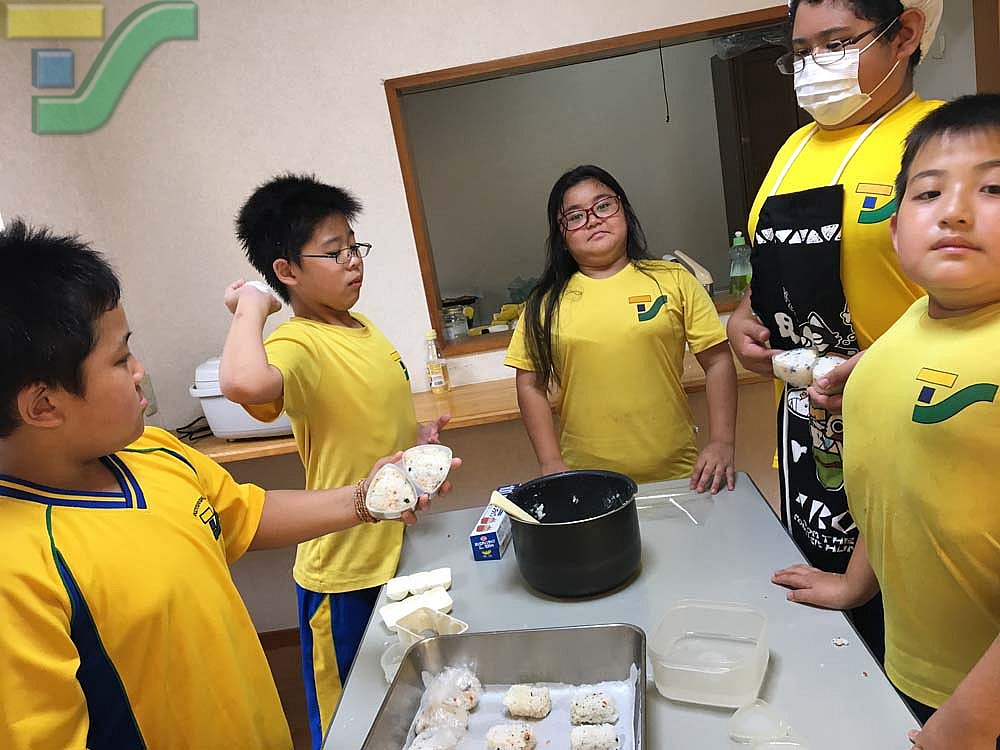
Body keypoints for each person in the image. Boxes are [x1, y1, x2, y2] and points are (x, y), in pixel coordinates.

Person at [0, 219, 443, 749]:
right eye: (120, 360)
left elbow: (246, 515)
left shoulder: (154, 452)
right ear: (43, 404)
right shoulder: (18, 571)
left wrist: (364, 499)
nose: (140, 371)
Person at [773, 94, 1000, 749]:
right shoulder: (912, 321)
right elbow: (896, 481)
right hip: (916, 671)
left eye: (992, 188)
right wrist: (854, 583)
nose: (956, 210)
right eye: (929, 193)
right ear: (896, 230)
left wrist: (968, 725)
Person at [727, 0, 943, 658]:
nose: (815, 66)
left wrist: (878, 371)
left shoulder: (942, 143)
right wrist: (745, 318)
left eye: (838, 42)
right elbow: (769, 276)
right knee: (836, 651)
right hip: (809, 443)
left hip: (914, 439)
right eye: (801, 52)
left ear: (904, 34)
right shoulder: (791, 152)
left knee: (916, 650)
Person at [219, 174, 451, 749]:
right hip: (343, 568)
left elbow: (367, 420)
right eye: (334, 251)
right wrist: (250, 307)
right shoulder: (299, 342)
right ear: (287, 271)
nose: (353, 261)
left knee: (404, 699)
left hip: (392, 548)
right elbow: (243, 382)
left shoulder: (363, 328)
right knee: (351, 721)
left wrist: (416, 444)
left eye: (354, 245)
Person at [505, 165, 737, 492]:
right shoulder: (544, 304)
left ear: (624, 211)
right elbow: (530, 384)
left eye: (603, 206)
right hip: (585, 481)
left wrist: (722, 442)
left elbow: (718, 360)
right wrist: (550, 462)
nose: (593, 220)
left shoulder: (673, 280)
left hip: (678, 473)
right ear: (561, 236)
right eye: (575, 216)